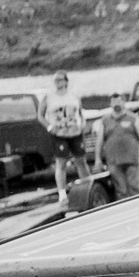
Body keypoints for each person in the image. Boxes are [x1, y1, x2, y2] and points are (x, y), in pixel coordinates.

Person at [38, 70, 92, 205]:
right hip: (59, 134)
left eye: (60, 79)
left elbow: (80, 113)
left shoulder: (73, 96)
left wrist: (82, 125)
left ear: (66, 81)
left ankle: (87, 186)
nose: (58, 82)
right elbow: (40, 115)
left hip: (74, 132)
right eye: (55, 80)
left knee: (81, 160)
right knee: (61, 162)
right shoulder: (49, 97)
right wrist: (50, 127)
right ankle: (62, 194)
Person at [93, 91, 139, 200]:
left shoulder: (133, 118)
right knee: (121, 190)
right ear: (110, 104)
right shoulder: (105, 121)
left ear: (124, 102)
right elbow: (99, 141)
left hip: (131, 160)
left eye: (119, 101)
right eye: (114, 102)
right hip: (113, 162)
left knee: (134, 187)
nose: (117, 104)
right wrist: (98, 159)